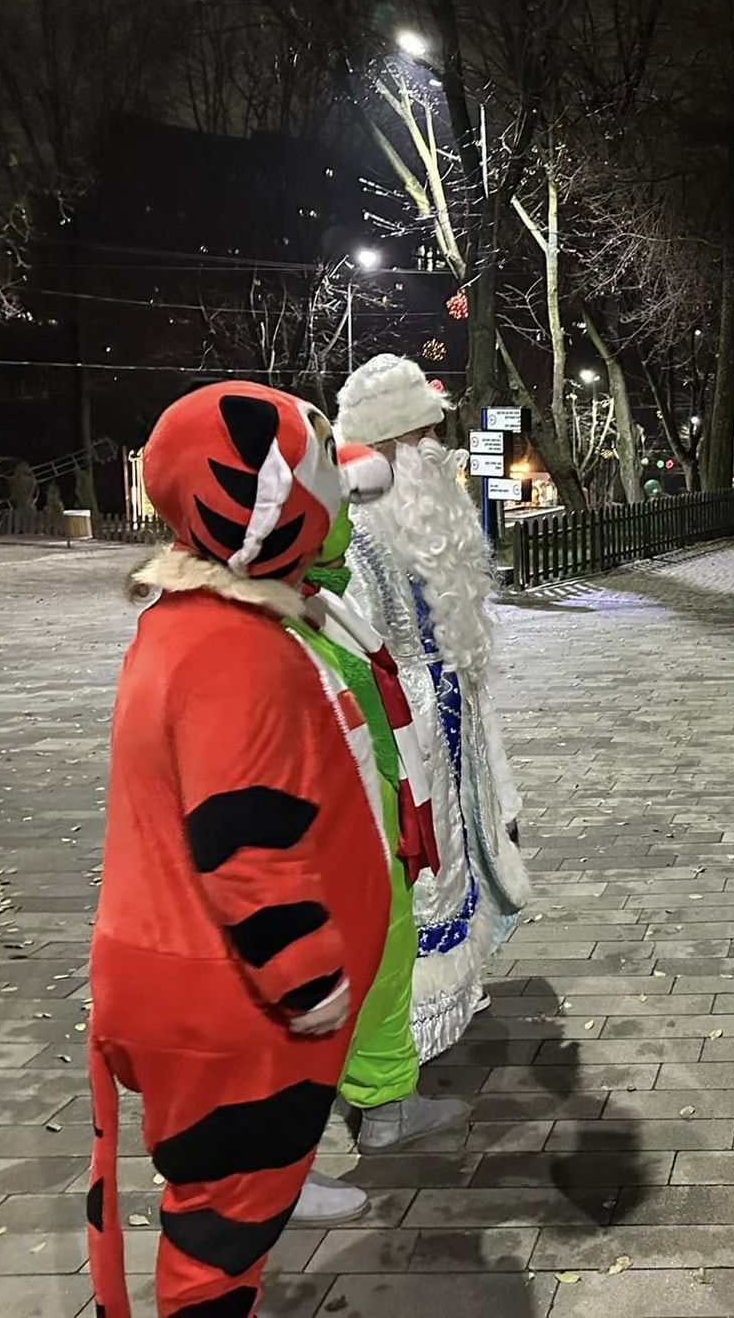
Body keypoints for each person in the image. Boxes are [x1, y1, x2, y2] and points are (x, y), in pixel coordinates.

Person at [87, 383, 394, 1318]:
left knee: (218, 1220)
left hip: (190, 984)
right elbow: (243, 835)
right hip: (235, 1007)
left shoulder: (190, 625)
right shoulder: (237, 650)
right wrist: (308, 979)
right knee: (221, 1239)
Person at [335, 352, 532, 1060]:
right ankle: (404, 1039)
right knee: (420, 878)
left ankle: (454, 993)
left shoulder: (424, 519)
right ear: (384, 447)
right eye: (419, 438)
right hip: (405, 730)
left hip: (453, 716)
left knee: (467, 855)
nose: (434, 449)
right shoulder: (357, 532)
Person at [297, 474, 472, 1157]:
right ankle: (285, 1160)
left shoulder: (313, 600)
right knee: (339, 966)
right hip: (333, 831)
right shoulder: (269, 623)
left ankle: (381, 1103)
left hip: (365, 816)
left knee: (377, 955)